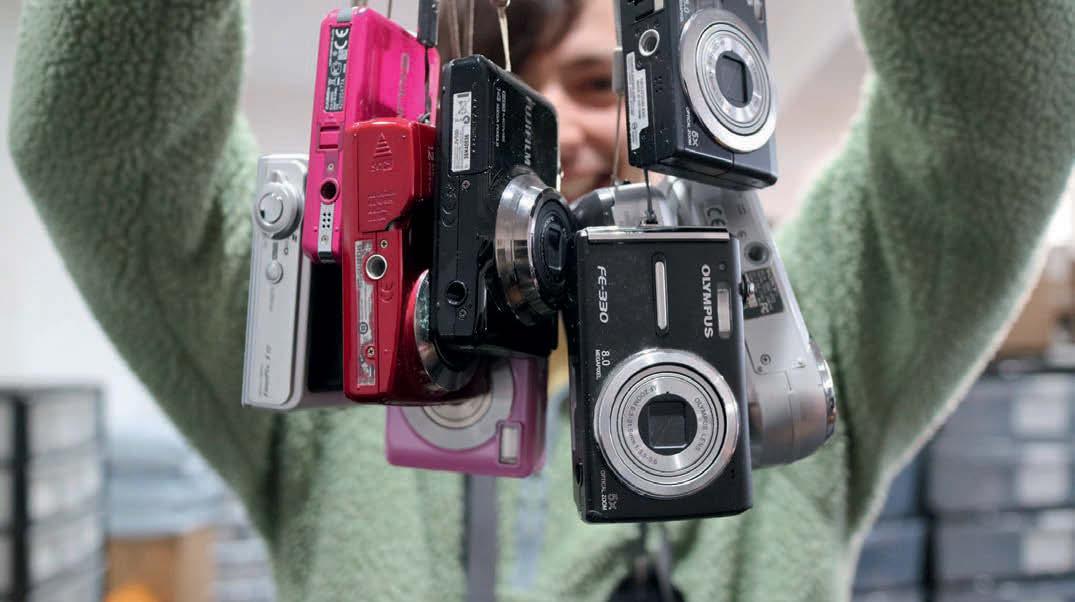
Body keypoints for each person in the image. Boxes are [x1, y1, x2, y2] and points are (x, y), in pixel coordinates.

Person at [8, 0, 1074, 599]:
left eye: (599, 84)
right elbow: (108, 147)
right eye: (506, 99)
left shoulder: (778, 330)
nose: (556, 134)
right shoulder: (353, 335)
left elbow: (990, 130)